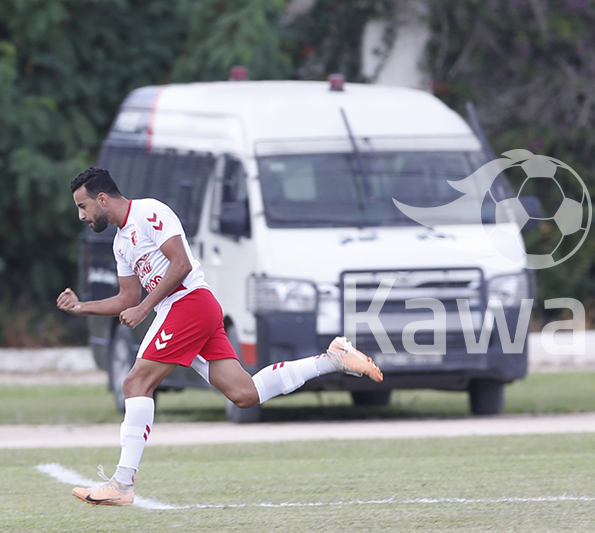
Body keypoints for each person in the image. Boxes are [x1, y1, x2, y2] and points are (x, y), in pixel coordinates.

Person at [57, 167, 384, 506]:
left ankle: (122, 484)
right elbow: (127, 299)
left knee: (135, 384)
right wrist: (82, 307)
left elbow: (180, 265)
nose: (81, 215)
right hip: (187, 310)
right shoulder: (121, 242)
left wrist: (144, 310)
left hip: (189, 304)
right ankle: (332, 358)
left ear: (102, 198)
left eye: (83, 206)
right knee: (245, 393)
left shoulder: (149, 212)